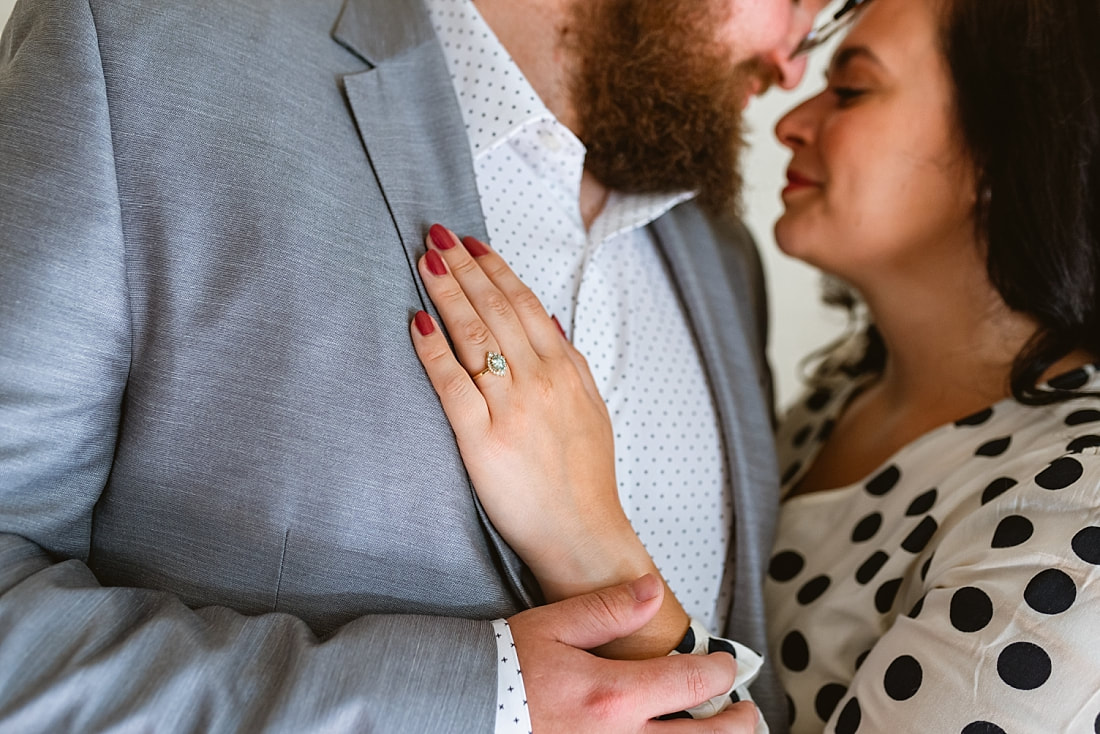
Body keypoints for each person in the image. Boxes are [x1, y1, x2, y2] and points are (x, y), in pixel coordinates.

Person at [0, 0, 831, 730]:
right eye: (799, 0)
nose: (796, 64)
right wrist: (484, 703)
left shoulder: (724, 259)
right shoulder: (142, 43)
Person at [408, 0, 1100, 731]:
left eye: (853, 90)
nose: (788, 123)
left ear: (1006, 149)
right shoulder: (831, 407)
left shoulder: (1078, 499)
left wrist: (589, 539)